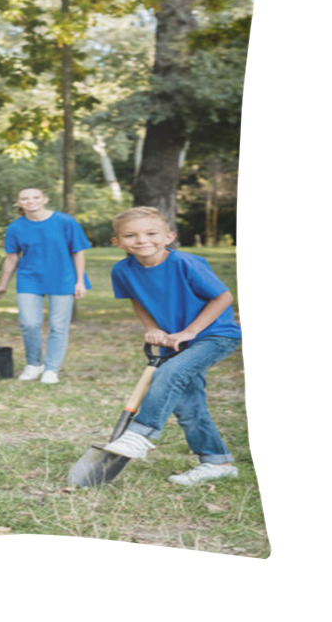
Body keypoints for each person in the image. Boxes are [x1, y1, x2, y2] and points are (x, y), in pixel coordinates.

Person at [103, 206, 242, 486]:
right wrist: (152, 328)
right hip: (173, 342)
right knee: (188, 406)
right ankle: (217, 462)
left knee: (168, 374)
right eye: (131, 235)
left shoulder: (185, 263)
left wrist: (189, 331)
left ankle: (142, 434)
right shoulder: (122, 270)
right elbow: (137, 300)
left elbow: (223, 297)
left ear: (169, 236)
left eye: (151, 233)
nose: (142, 240)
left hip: (215, 335)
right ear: (117, 242)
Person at [0, 188, 91, 384]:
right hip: (30, 279)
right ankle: (34, 364)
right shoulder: (15, 227)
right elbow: (12, 258)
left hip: (63, 278)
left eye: (36, 197)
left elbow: (78, 252)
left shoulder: (65, 222)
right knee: (29, 324)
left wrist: (80, 281)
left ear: (45, 199)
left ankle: (51, 369)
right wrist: (2, 284)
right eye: (25, 198)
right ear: (19, 202)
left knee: (58, 326)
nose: (31, 201)